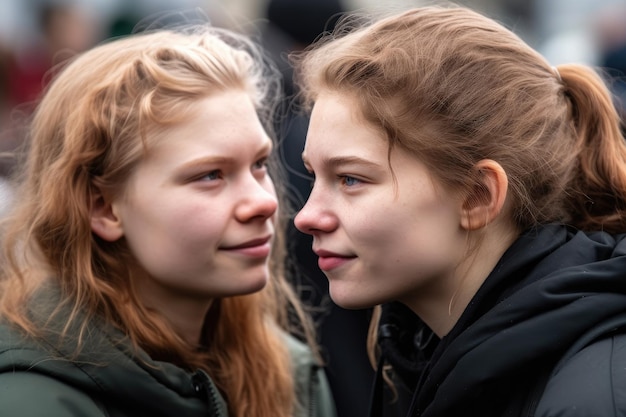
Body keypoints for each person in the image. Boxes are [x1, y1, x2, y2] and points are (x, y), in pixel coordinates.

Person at [291, 5, 626, 417]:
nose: (306, 216)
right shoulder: (422, 352)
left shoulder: (588, 396)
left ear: (477, 197)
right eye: (314, 176)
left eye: (351, 179)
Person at [0, 23, 336, 417]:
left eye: (260, 164)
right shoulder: (32, 398)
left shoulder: (288, 376)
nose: (262, 202)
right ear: (104, 208)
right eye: (210, 175)